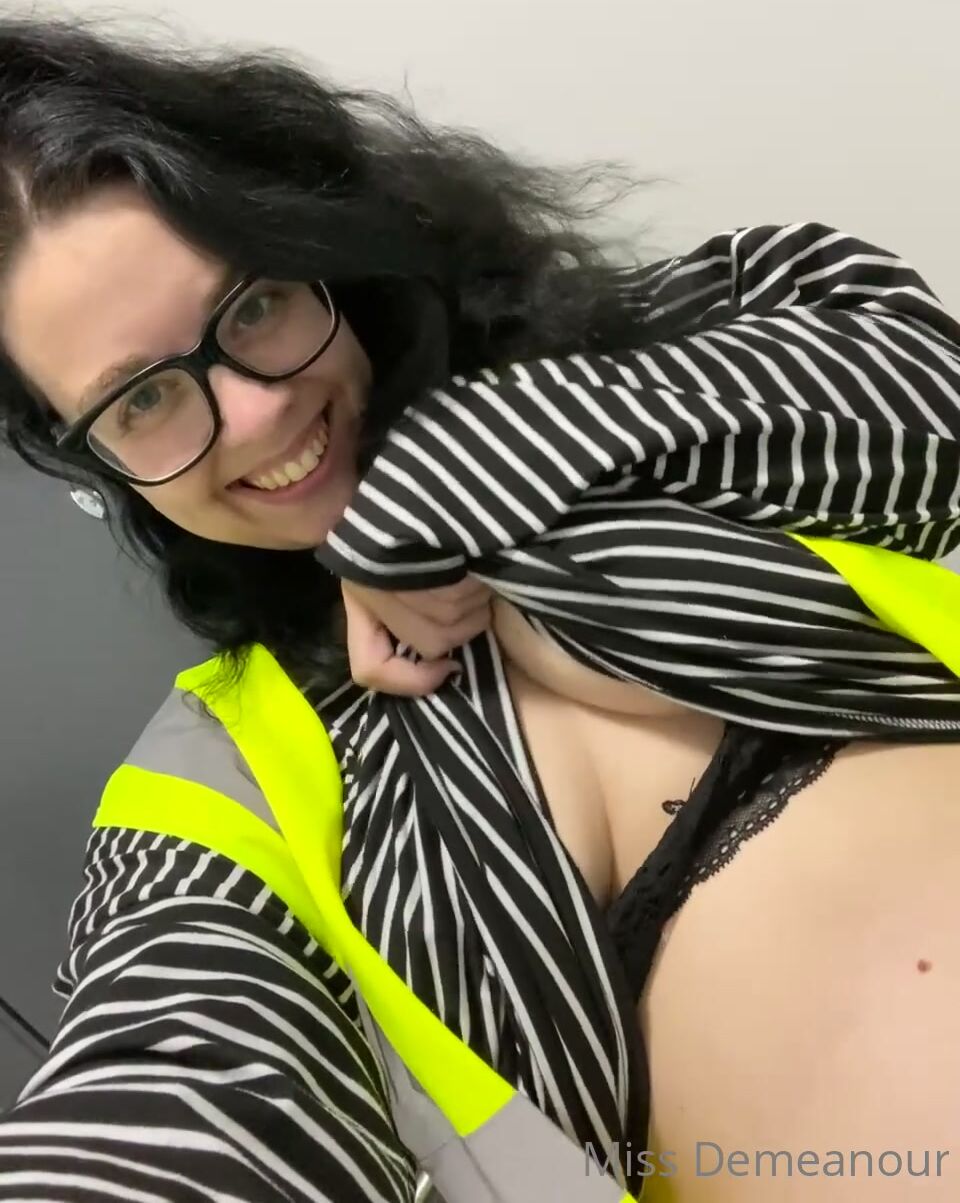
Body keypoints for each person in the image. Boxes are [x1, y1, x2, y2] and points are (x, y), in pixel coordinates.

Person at [0, 16, 959, 1203]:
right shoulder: (217, 783)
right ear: (94, 460)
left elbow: (924, 391)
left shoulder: (652, 362)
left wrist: (428, 487)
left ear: (315, 246)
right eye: (141, 401)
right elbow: (175, 1085)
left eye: (251, 307)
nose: (252, 413)